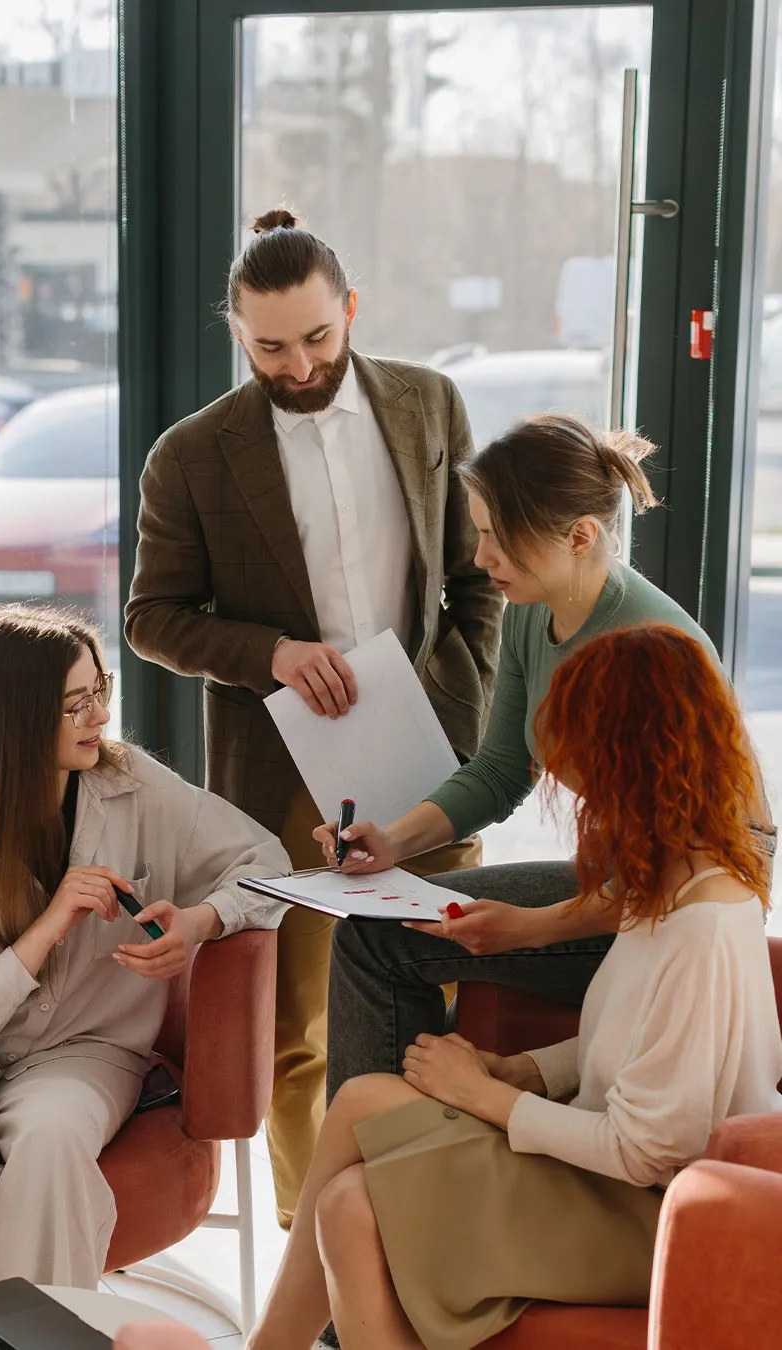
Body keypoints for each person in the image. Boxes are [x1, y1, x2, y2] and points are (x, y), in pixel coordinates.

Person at [249, 623, 782, 1350]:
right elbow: (640, 1044)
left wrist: (486, 1096)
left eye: (587, 767)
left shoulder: (699, 931)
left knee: (349, 1206)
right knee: (363, 1101)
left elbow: (648, 1152)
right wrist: (525, 1071)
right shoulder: (676, 880)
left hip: (645, 1212)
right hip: (615, 1181)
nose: (575, 790)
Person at [125, 207, 502, 1227]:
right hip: (283, 767)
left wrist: (457, 714)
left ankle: (430, 1231)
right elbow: (150, 618)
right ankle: (319, 1249)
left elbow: (476, 580)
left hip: (423, 757)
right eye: (270, 346)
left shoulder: (431, 406)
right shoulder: (192, 456)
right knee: (298, 1024)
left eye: (318, 338)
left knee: (446, 999)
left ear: (352, 309)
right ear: (237, 332)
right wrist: (273, 656)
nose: (298, 367)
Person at [317, 412, 776, 1101]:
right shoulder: (533, 602)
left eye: (498, 538)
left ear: (580, 536)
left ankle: (395, 1165)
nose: (480, 559)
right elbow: (501, 771)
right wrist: (390, 841)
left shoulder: (651, 648)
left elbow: (683, 873)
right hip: (625, 874)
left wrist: (531, 929)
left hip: (685, 900)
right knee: (373, 935)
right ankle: (390, 1169)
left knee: (377, 949)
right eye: (479, 533)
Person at [0, 604, 288, 1297]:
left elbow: (267, 860)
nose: (100, 719)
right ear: (15, 718)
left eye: (99, 693)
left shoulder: (133, 786)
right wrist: (48, 925)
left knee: (50, 1148)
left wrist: (201, 922)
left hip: (84, 1047)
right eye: (75, 705)